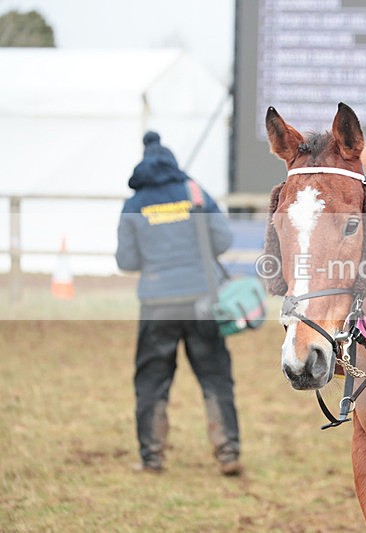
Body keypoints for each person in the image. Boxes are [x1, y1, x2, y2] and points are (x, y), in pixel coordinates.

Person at [115, 131, 243, 476]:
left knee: (152, 381)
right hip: (203, 299)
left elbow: (126, 261)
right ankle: (228, 452)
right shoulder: (195, 193)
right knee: (215, 377)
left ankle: (151, 457)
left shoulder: (135, 204)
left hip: (157, 303)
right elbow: (223, 239)